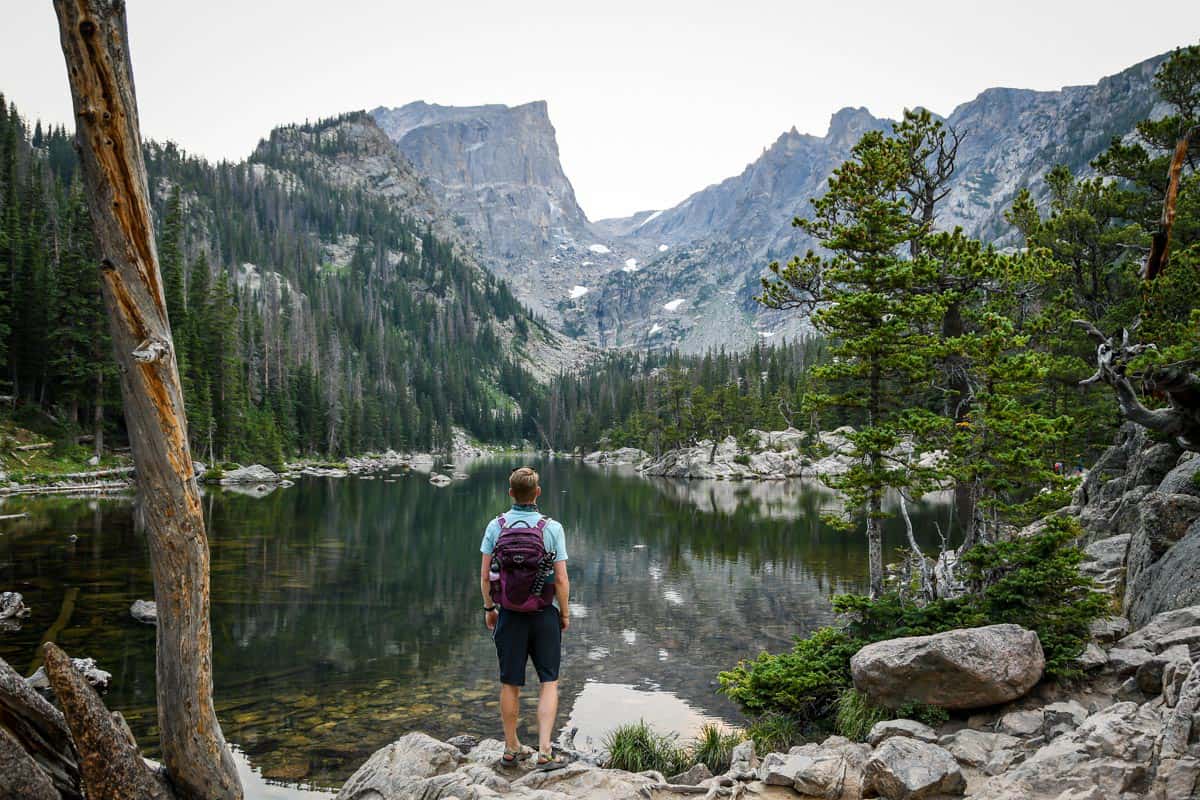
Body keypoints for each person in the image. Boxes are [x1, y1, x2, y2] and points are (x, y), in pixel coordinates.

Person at [480, 466, 570, 770]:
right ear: (538, 493)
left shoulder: (497, 526)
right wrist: (564, 614)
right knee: (549, 681)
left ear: (510, 493)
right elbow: (560, 580)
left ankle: (511, 747)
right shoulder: (552, 528)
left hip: (509, 616)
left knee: (510, 683)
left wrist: (490, 609)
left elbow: (484, 576)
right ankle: (545, 750)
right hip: (544, 614)